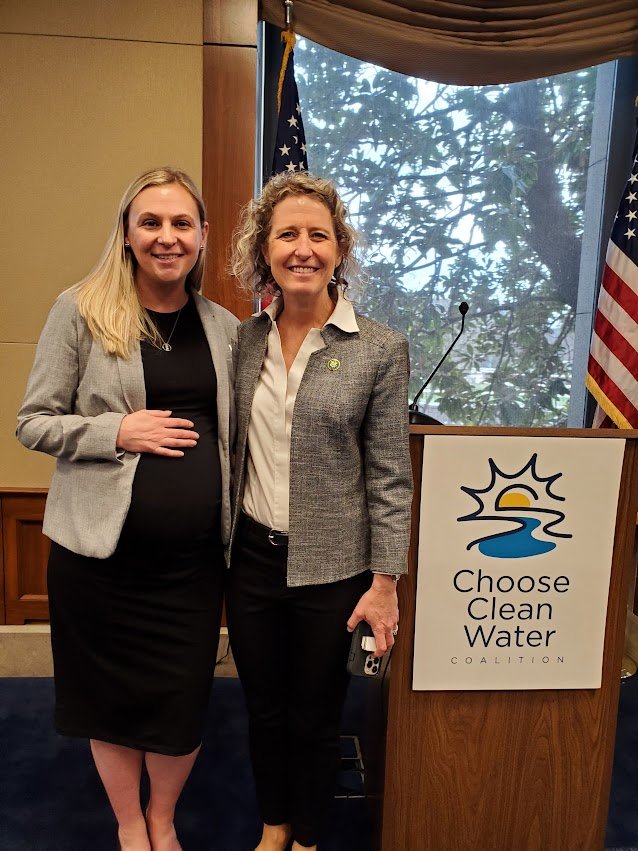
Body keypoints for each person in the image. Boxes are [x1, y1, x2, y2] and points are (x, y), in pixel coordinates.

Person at [16, 167, 238, 851]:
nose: (166, 237)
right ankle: (130, 823)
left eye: (181, 224)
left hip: (195, 564)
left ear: (201, 236)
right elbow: (34, 421)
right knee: (109, 700)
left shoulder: (225, 327)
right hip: (100, 559)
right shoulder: (80, 310)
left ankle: (164, 816)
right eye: (151, 222)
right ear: (128, 233)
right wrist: (117, 430)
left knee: (181, 699)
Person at [227, 171, 413, 851]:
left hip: (333, 570)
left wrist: (386, 580)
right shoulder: (244, 341)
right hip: (250, 560)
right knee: (262, 708)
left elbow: (392, 476)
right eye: (287, 234)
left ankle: (307, 835)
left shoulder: (379, 348)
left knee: (314, 714)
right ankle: (273, 824)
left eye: (317, 235)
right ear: (264, 249)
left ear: (339, 249)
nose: (302, 248)